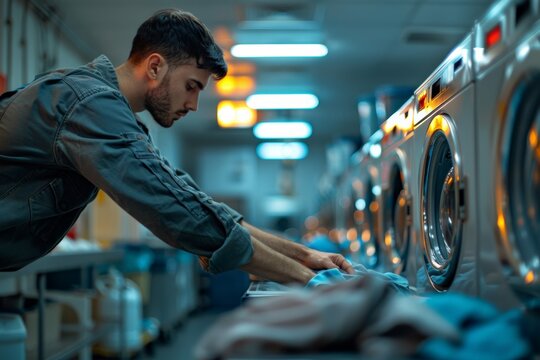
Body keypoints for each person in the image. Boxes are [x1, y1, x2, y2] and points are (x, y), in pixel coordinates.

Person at [0, 9, 353, 283]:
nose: (195, 104)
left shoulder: (103, 111)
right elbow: (176, 212)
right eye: (191, 86)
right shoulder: (88, 104)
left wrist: (304, 257)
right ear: (155, 66)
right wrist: (311, 282)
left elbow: (188, 198)